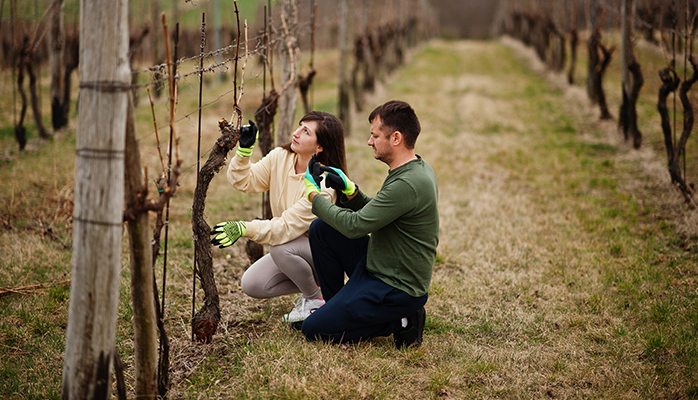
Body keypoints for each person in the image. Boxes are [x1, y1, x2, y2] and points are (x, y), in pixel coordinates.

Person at [302, 100, 439, 349]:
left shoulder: (407, 183)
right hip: (381, 263)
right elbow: (379, 213)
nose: (369, 141)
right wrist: (350, 191)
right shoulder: (414, 168)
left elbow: (356, 226)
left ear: (395, 138)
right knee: (322, 230)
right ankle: (337, 311)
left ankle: (403, 319)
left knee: (313, 330)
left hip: (396, 287)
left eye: (374, 136)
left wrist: (315, 197)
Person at [211, 111, 347, 325]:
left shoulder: (323, 185)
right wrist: (244, 152)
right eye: (300, 125)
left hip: (324, 255)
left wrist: (243, 228)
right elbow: (244, 182)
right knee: (252, 284)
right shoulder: (281, 157)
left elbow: (284, 228)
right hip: (295, 249)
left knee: (280, 246)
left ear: (320, 147)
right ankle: (320, 289)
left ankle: (316, 300)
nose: (296, 133)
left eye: (305, 131)